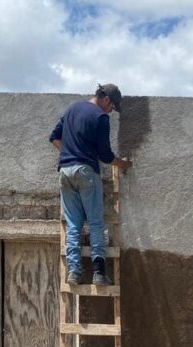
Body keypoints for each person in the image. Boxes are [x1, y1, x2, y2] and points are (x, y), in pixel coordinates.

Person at [49, 83, 132, 286]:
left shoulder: (72, 110)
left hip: (65, 172)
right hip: (85, 172)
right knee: (95, 222)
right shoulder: (100, 117)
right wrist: (123, 164)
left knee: (73, 224)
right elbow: (105, 155)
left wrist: (69, 153)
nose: (111, 111)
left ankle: (74, 272)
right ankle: (98, 272)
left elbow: (54, 138)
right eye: (112, 106)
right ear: (105, 98)